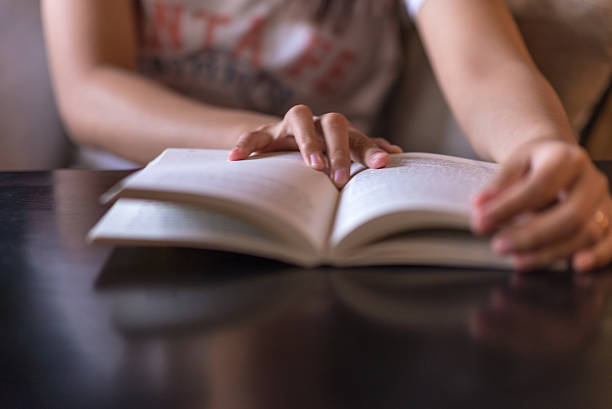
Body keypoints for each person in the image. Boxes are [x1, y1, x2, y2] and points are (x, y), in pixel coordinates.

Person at [42, 0, 612, 273]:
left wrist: (541, 148)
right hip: (124, 216)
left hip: (333, 222)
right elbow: (90, 85)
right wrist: (259, 136)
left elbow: (487, 68)